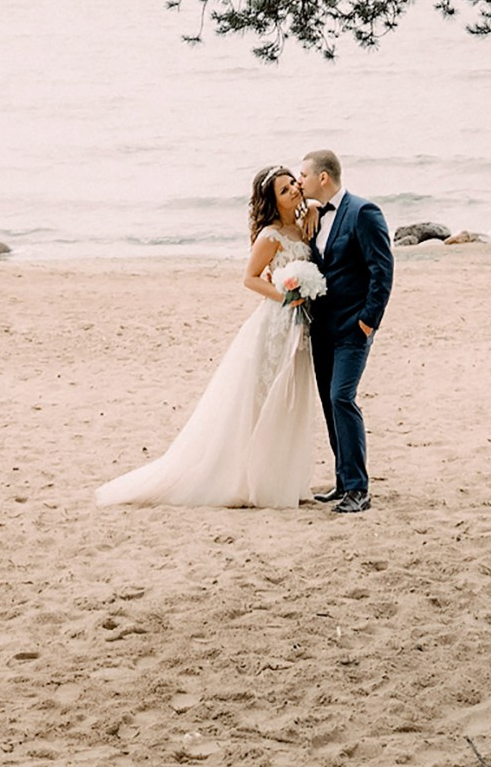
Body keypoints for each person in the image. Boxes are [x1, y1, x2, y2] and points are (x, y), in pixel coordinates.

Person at [94, 165, 327, 509]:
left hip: (300, 328)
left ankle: (284, 480)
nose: (294, 189)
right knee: (265, 399)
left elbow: (321, 208)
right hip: (275, 325)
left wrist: (318, 207)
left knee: (291, 401)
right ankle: (251, 480)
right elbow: (250, 278)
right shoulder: (271, 235)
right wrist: (287, 296)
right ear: (272, 201)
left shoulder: (305, 223)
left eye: (293, 182)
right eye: (284, 189)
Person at [299, 149, 393, 514]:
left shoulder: (363, 213)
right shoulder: (313, 217)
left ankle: (359, 489)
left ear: (324, 177)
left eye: (303, 175)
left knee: (342, 398)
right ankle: (343, 482)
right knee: (329, 403)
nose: (299, 180)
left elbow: (381, 271)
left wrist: (368, 320)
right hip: (321, 328)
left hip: (353, 328)